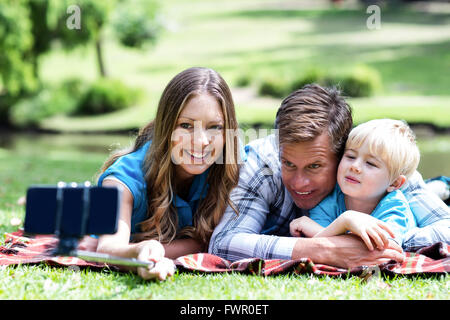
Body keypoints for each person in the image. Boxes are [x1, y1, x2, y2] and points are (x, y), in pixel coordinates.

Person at [209, 84, 450, 268]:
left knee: (425, 194)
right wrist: (324, 249)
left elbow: (445, 227)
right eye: (289, 164)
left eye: (314, 166)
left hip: (394, 204)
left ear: (341, 152)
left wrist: (384, 244)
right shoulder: (261, 165)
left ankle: (438, 187)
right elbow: (223, 244)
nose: (299, 182)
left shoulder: (372, 163)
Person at [95, 67, 241, 280]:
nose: (201, 142)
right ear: (166, 128)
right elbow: (107, 250)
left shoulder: (226, 172)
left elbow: (214, 242)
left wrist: (160, 250)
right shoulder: (122, 181)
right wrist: (141, 252)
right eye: (186, 126)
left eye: (215, 127)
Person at [289, 119, 420, 251]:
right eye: (350, 156)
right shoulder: (330, 198)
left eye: (371, 163)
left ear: (394, 183)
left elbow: (386, 250)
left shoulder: (394, 207)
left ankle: (438, 186)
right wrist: (341, 225)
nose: (354, 166)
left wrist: (345, 221)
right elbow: (317, 246)